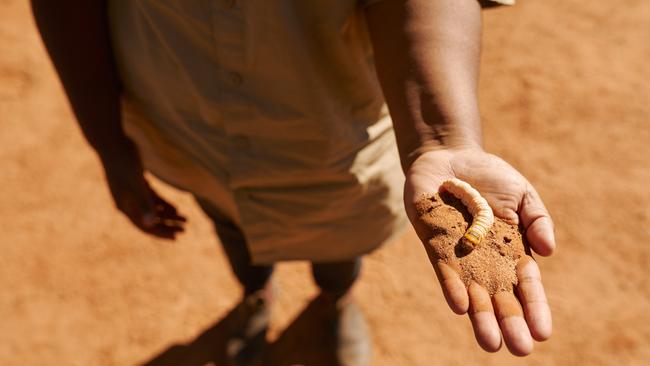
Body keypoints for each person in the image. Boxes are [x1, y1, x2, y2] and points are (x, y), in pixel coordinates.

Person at [31, 0, 556, 364]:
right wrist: (109, 143)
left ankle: (333, 300)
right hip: (190, 130)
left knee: (338, 243)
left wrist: (443, 136)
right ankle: (256, 293)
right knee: (230, 223)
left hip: (330, 142)